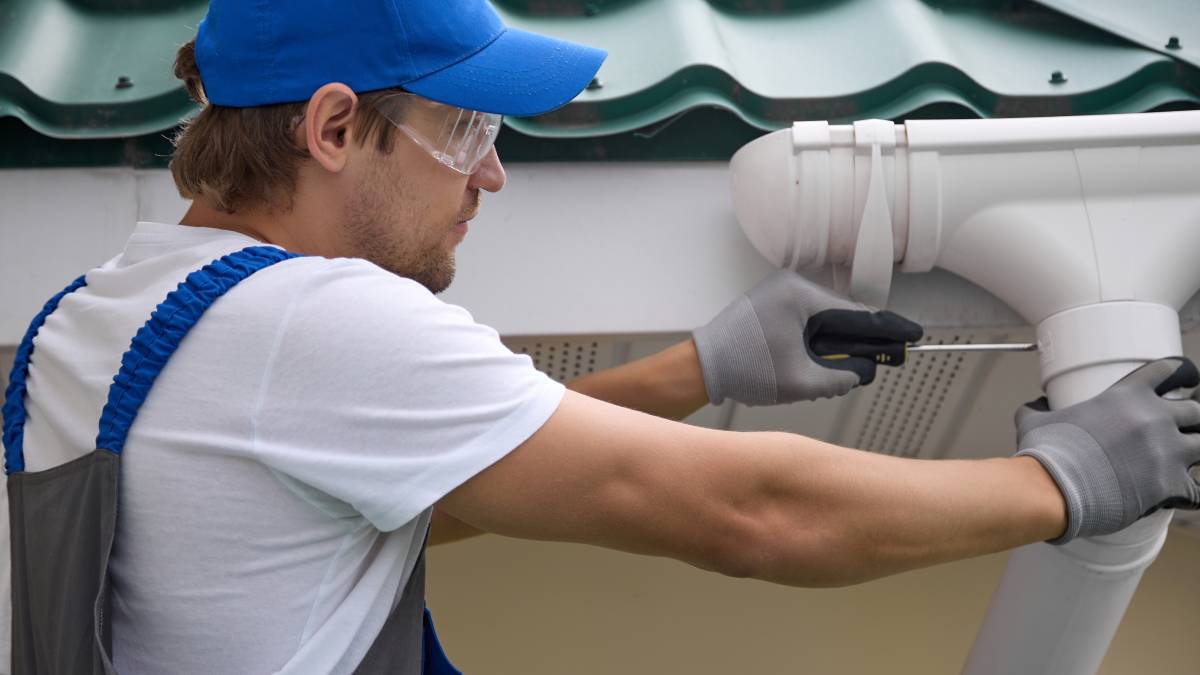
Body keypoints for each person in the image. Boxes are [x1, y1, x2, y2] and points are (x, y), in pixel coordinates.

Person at [5, 0, 1200, 672]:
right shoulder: (309, 320)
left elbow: (407, 506)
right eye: (469, 130)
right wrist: (1062, 478)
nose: (494, 178)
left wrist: (701, 371)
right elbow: (761, 516)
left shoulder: (86, 325)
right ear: (331, 127)